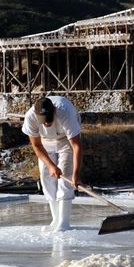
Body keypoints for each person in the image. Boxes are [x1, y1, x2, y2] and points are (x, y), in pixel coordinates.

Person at [22, 95, 83, 233]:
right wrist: (50, 165)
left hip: (66, 140)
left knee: (65, 177)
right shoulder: (30, 117)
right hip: (45, 142)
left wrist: (75, 175)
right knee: (46, 178)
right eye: (44, 120)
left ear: (54, 111)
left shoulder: (65, 112)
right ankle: (56, 219)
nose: (47, 123)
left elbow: (77, 146)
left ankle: (64, 222)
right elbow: (37, 146)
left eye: (49, 119)